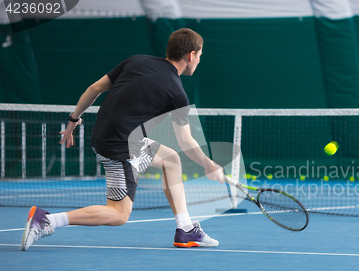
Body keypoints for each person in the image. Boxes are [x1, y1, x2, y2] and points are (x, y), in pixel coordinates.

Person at [21, 28, 224, 251]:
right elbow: (186, 140)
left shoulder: (137, 61)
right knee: (118, 214)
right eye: (200, 55)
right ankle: (47, 220)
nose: (199, 60)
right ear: (191, 55)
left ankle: (185, 229)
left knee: (171, 160)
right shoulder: (177, 92)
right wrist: (209, 165)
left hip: (113, 136)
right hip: (119, 145)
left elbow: (94, 88)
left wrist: (73, 119)